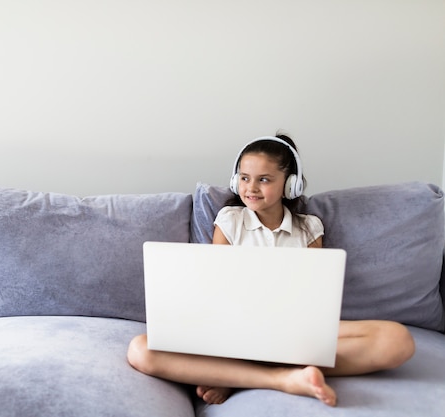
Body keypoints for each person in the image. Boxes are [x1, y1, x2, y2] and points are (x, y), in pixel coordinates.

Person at [127, 134, 415, 407]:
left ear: (290, 185)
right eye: (244, 178)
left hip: (295, 331)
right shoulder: (229, 220)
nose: (251, 188)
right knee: (140, 349)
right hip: (232, 330)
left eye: (264, 180)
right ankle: (281, 377)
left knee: (397, 340)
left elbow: (315, 294)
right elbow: (215, 287)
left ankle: (232, 373)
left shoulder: (309, 228)